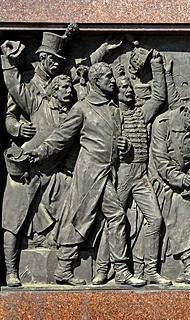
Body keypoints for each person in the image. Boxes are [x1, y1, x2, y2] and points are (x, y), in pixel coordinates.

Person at [28, 62, 146, 287]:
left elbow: (114, 140)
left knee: (104, 217)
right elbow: (61, 137)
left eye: (112, 77)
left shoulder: (113, 109)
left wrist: (125, 147)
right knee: (84, 218)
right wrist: (39, 153)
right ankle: (85, 269)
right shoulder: (82, 108)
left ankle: (111, 269)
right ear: (96, 82)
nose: (113, 81)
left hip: (107, 172)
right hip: (89, 173)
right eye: (108, 78)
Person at [1, 41, 77, 287]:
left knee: (75, 200)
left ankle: (63, 261)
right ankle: (11, 271)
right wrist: (8, 60)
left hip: (53, 173)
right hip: (25, 170)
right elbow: (15, 87)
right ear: (53, 91)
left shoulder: (73, 116)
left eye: (71, 88)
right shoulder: (37, 103)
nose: (69, 92)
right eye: (64, 88)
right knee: (13, 219)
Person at [92, 51, 172, 286]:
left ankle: (150, 271)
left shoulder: (140, 112)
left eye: (130, 88)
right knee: (115, 221)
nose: (128, 91)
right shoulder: (111, 115)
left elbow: (158, 98)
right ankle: (102, 269)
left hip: (140, 175)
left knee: (155, 220)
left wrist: (156, 65)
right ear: (114, 92)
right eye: (123, 88)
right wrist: (119, 146)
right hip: (122, 174)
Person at [149, 96, 190, 285]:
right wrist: (182, 180)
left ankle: (189, 271)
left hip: (183, 183)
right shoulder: (162, 124)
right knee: (183, 209)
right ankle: (182, 269)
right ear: (185, 110)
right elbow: (161, 161)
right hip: (161, 182)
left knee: (187, 209)